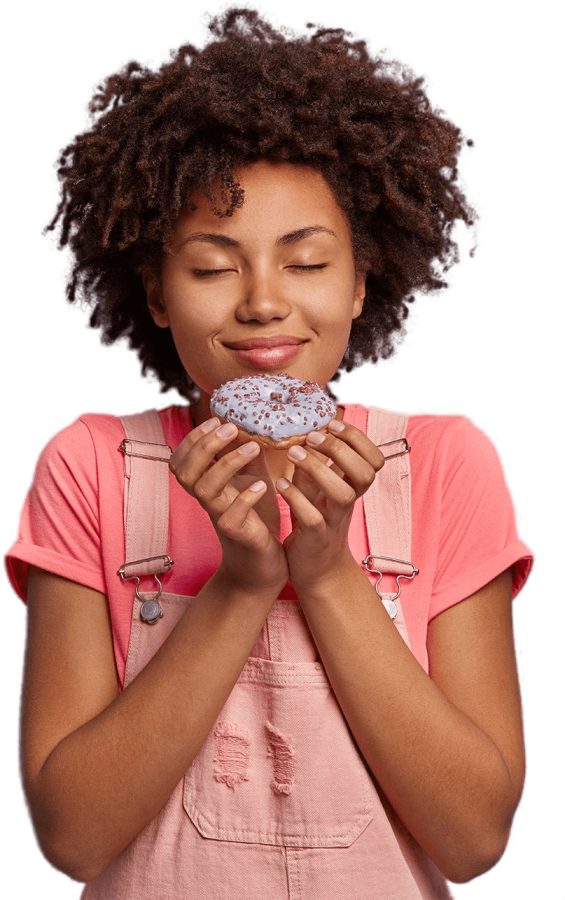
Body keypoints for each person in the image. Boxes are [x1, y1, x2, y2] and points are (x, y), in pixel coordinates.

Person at [5, 4, 534, 898]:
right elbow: (75, 839)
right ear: (158, 293)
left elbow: (474, 839)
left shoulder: (445, 459)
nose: (261, 304)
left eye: (306, 261)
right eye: (212, 267)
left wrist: (326, 572)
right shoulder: (89, 462)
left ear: (363, 279)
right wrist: (243, 580)